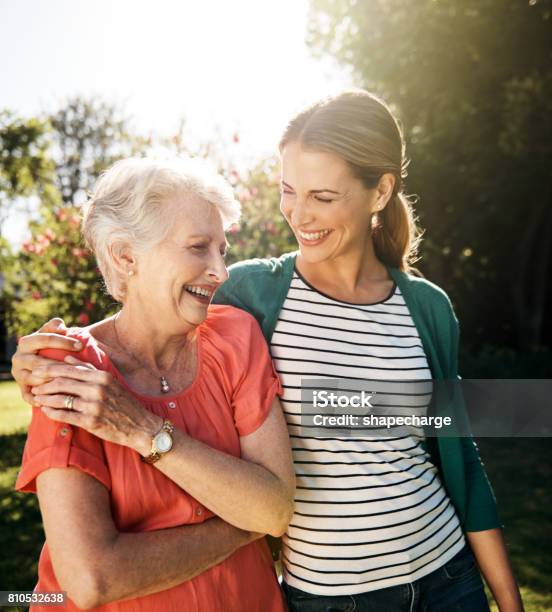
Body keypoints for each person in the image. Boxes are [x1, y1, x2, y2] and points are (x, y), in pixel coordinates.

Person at [12, 91, 523, 612]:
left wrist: (507, 597)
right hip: (331, 597)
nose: (300, 215)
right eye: (288, 190)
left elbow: (461, 457)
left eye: (323, 196)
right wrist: (50, 352)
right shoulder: (253, 295)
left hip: (448, 573)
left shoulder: (427, 308)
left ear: (380, 192)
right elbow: (145, 309)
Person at [12, 157, 295, 611]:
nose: (220, 272)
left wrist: (142, 430)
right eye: (198, 246)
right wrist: (244, 521)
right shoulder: (70, 367)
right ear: (127, 257)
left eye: (222, 250)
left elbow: (275, 508)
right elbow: (92, 579)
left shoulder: (235, 337)